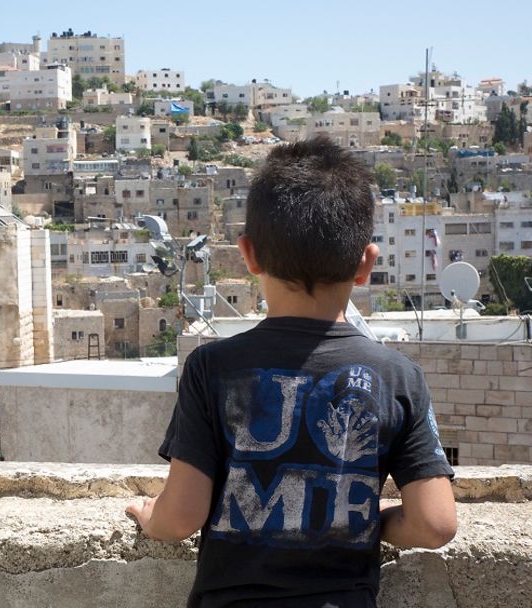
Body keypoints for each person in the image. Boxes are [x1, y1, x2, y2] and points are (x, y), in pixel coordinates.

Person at [126, 137, 456, 608]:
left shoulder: (211, 368)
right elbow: (435, 524)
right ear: (366, 264)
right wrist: (365, 517)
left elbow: (180, 518)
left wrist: (148, 513)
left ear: (248, 254)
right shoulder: (399, 376)